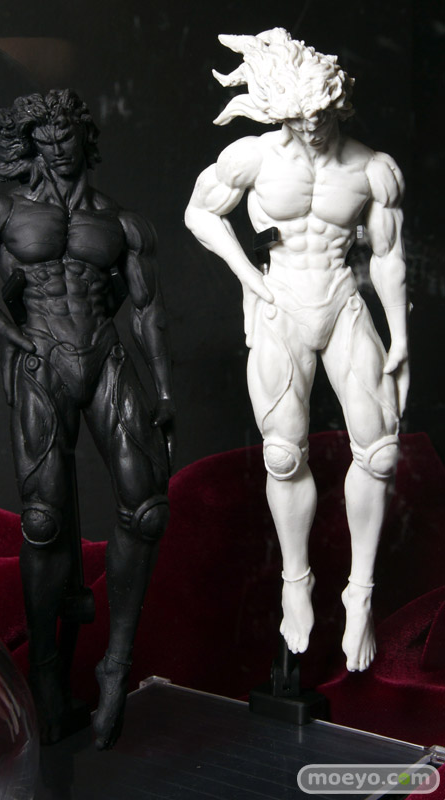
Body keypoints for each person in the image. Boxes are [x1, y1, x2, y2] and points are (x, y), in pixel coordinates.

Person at [0, 89, 175, 747]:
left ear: (84, 138)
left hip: (105, 355)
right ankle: (44, 676)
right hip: (39, 354)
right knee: (43, 520)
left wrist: (164, 392)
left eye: (67, 136)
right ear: (31, 144)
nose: (58, 148)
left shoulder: (121, 223)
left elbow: (146, 309)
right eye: (46, 138)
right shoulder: (3, 211)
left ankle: (115, 662)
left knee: (147, 507)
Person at [185, 29, 408, 672]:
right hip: (280, 302)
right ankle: (296, 580)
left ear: (338, 103)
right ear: (281, 109)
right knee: (283, 454)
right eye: (299, 116)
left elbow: (387, 255)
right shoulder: (253, 156)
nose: (311, 127)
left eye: (321, 114)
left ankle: (360, 592)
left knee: (382, 451)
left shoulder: (372, 168)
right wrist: (247, 274)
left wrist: (400, 337)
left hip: (341, 300)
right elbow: (201, 213)